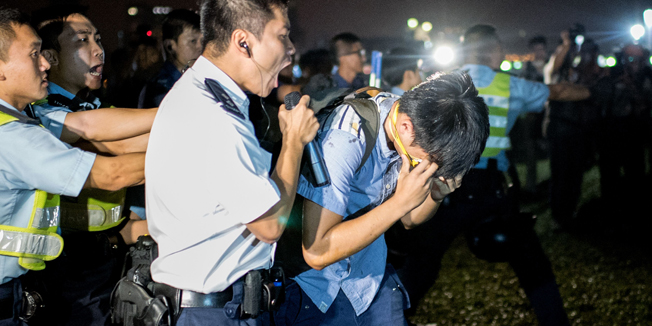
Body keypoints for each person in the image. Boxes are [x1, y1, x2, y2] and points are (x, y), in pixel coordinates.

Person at [386, 24, 591, 326]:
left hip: (442, 185)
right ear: (494, 49)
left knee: (423, 260)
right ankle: (555, 321)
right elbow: (558, 91)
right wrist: (591, 90)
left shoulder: (440, 82)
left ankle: (390, 317)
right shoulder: (511, 86)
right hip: (493, 188)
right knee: (529, 259)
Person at [269, 71, 491, 326]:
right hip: (317, 288)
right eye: (426, 163)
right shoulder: (345, 137)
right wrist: (399, 203)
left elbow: (409, 219)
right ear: (405, 127)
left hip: (370, 277)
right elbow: (317, 252)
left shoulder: (416, 125)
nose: (428, 169)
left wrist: (435, 197)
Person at [144, 0, 318, 325]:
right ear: (243, 42)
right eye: (283, 35)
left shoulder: (202, 94)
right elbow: (269, 226)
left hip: (211, 307)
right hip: (215, 312)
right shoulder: (215, 116)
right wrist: (294, 142)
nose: (292, 49)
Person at [0, 8, 146, 325]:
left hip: (24, 287)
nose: (45, 64)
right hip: (57, 275)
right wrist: (194, 152)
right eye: (34, 54)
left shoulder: (25, 115)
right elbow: (111, 174)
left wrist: (181, 117)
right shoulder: (11, 135)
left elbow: (88, 126)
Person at [543, 29, 607, 230]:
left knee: (575, 175)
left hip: (580, 130)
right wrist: (566, 43)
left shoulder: (587, 74)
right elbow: (554, 66)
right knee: (561, 175)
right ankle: (558, 216)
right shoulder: (556, 72)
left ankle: (570, 212)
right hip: (561, 129)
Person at [138, 9, 202, 108]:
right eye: (193, 41)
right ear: (170, 46)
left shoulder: (198, 77)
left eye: (203, 40)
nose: (200, 46)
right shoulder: (160, 88)